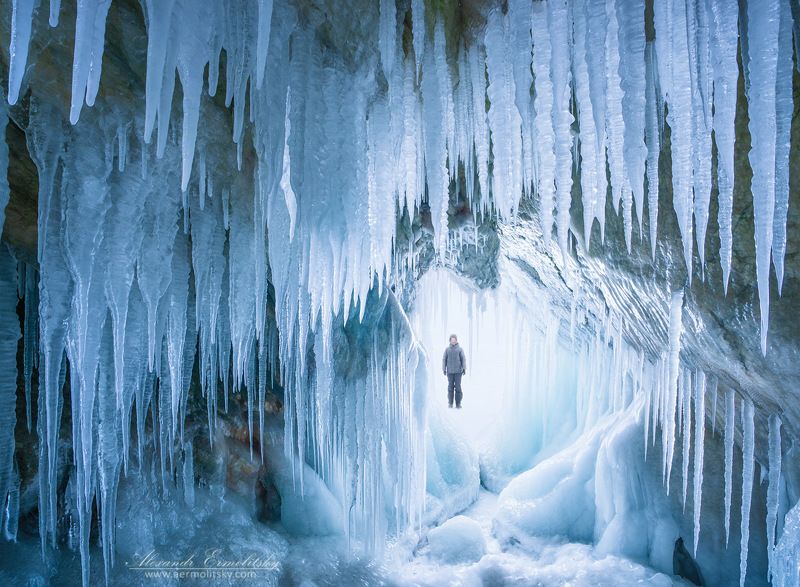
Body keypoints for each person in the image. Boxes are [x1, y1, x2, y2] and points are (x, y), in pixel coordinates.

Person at [442, 334, 466, 408]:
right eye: (452, 340)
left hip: (458, 372)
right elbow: (444, 359)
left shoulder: (460, 349)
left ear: (456, 340)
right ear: (450, 341)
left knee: (458, 387)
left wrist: (464, 368)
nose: (453, 341)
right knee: (450, 387)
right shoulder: (447, 350)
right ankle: (450, 403)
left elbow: (463, 359)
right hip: (450, 372)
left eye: (454, 340)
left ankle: (458, 403)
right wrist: (444, 369)